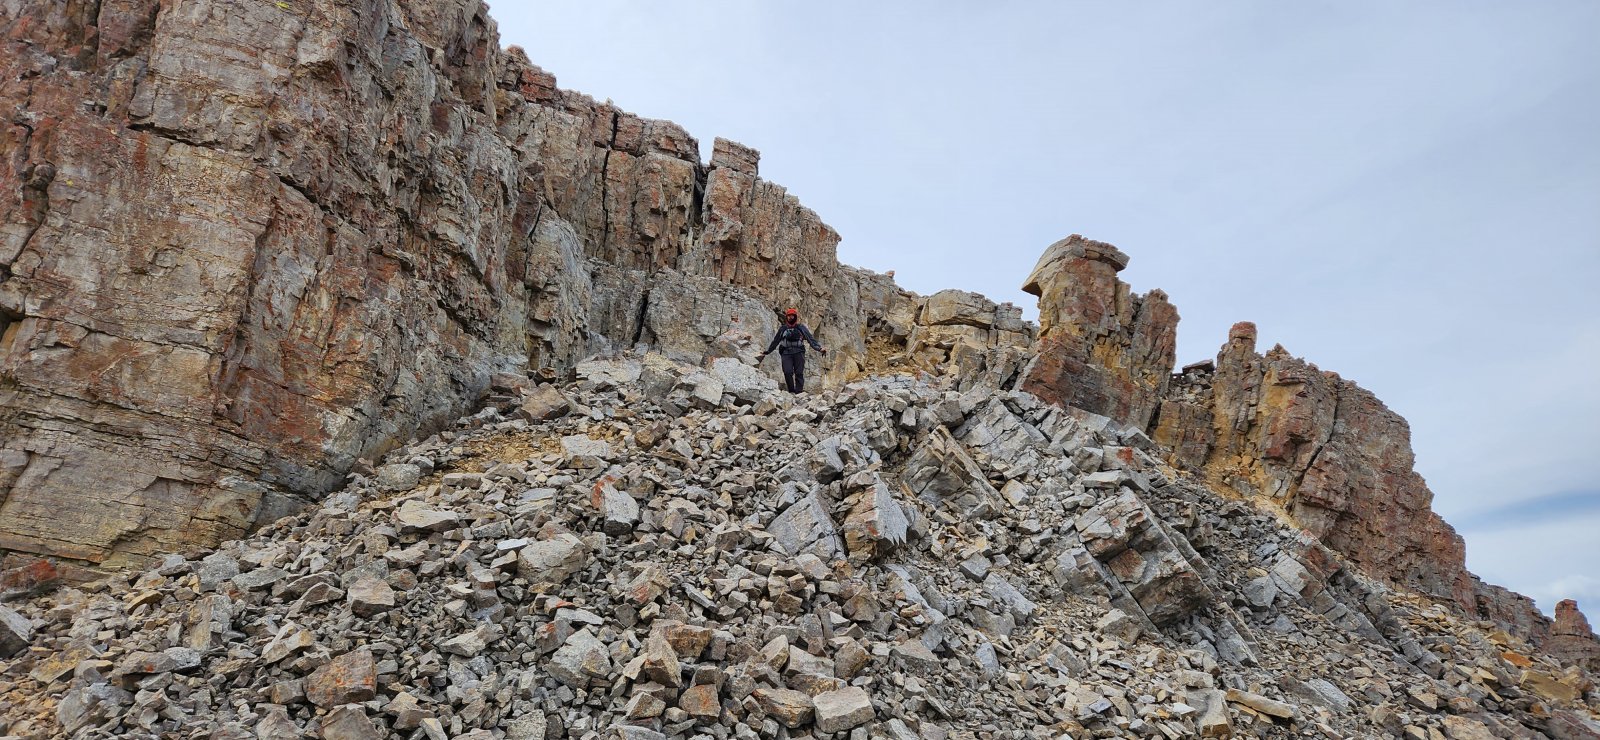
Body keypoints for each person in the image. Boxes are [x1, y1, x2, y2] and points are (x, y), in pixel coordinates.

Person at [759, 308, 827, 393]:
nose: (791, 317)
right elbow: (776, 341)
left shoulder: (801, 328)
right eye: (789, 316)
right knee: (787, 372)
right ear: (786, 317)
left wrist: (819, 348)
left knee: (799, 373)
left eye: (792, 316)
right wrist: (768, 351)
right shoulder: (783, 329)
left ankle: (799, 392)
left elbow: (810, 339)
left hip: (799, 352)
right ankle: (791, 390)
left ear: (795, 317)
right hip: (786, 353)